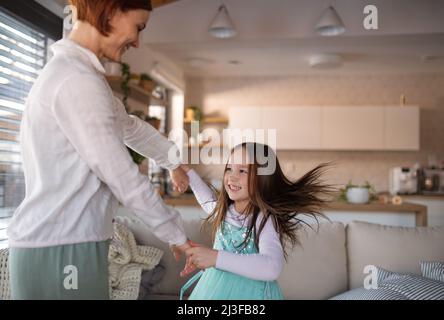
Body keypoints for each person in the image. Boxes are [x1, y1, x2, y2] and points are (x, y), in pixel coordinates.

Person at [7, 0, 191, 300]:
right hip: (62, 249)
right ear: (112, 11)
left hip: (63, 245)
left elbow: (128, 126)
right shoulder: (77, 81)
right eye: (138, 27)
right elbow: (122, 177)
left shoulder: (79, 75)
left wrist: (172, 160)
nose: (138, 40)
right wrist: (178, 236)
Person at [179, 143, 333, 300]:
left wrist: (216, 258)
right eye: (229, 169)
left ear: (263, 178)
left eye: (242, 171)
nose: (232, 176)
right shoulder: (225, 211)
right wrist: (187, 173)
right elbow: (208, 200)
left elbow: (271, 267)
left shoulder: (264, 219)